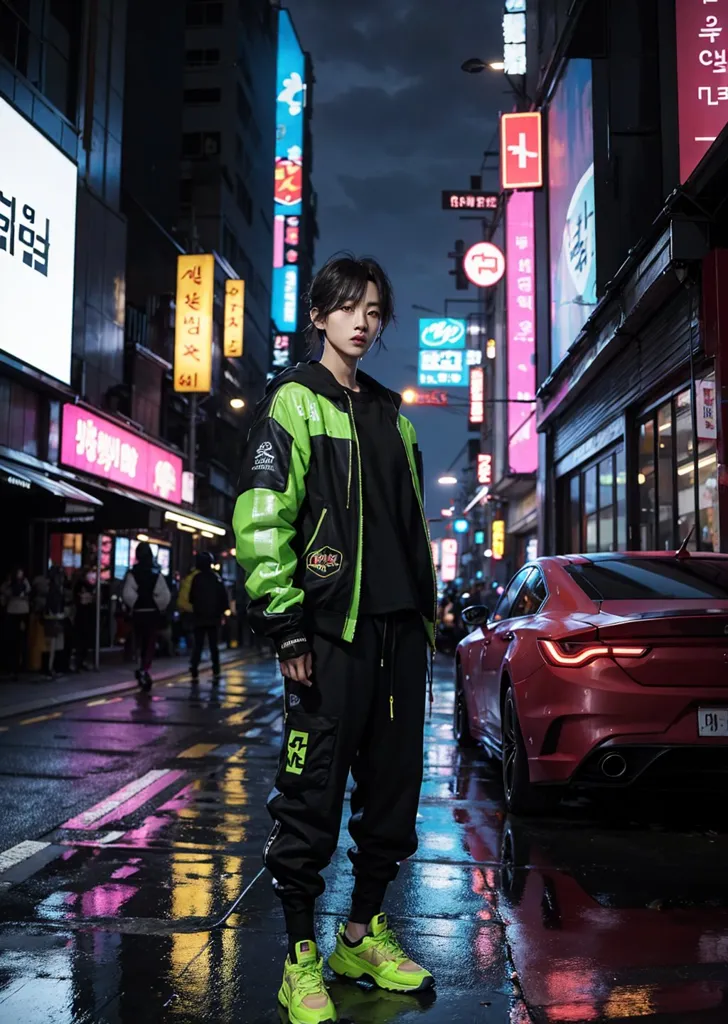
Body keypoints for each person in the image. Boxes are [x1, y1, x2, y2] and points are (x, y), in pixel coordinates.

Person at [234, 254, 437, 1024]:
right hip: (330, 633)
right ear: (318, 315)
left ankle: (359, 935)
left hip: (399, 635)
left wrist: (426, 611)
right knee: (312, 794)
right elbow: (261, 517)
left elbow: (408, 527)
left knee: (392, 795)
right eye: (348, 307)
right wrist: (287, 623)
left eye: (375, 310)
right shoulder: (293, 403)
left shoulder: (394, 415)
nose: (362, 320)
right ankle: (298, 956)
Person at [121, 541, 171, 691]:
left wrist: (137, 603)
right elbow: (165, 596)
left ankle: (139, 666)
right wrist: (155, 604)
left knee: (138, 640)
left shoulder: (132, 573)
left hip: (137, 614)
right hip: (152, 614)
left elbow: (127, 594)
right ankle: (145, 668)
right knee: (149, 643)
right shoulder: (157, 575)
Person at [188, 552, 229, 683]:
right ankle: (216, 669)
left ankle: (194, 668)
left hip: (199, 618)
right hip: (213, 618)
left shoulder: (196, 579)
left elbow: (191, 598)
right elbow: (224, 598)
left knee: (198, 644)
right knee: (213, 645)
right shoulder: (216, 578)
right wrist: (221, 612)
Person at [0, 568, 31, 678]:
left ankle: (20, 666)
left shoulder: (24, 583)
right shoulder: (9, 584)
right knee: (11, 642)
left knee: (20, 642)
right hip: (12, 613)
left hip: (21, 613)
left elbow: (28, 591)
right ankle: (12, 667)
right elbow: (4, 593)